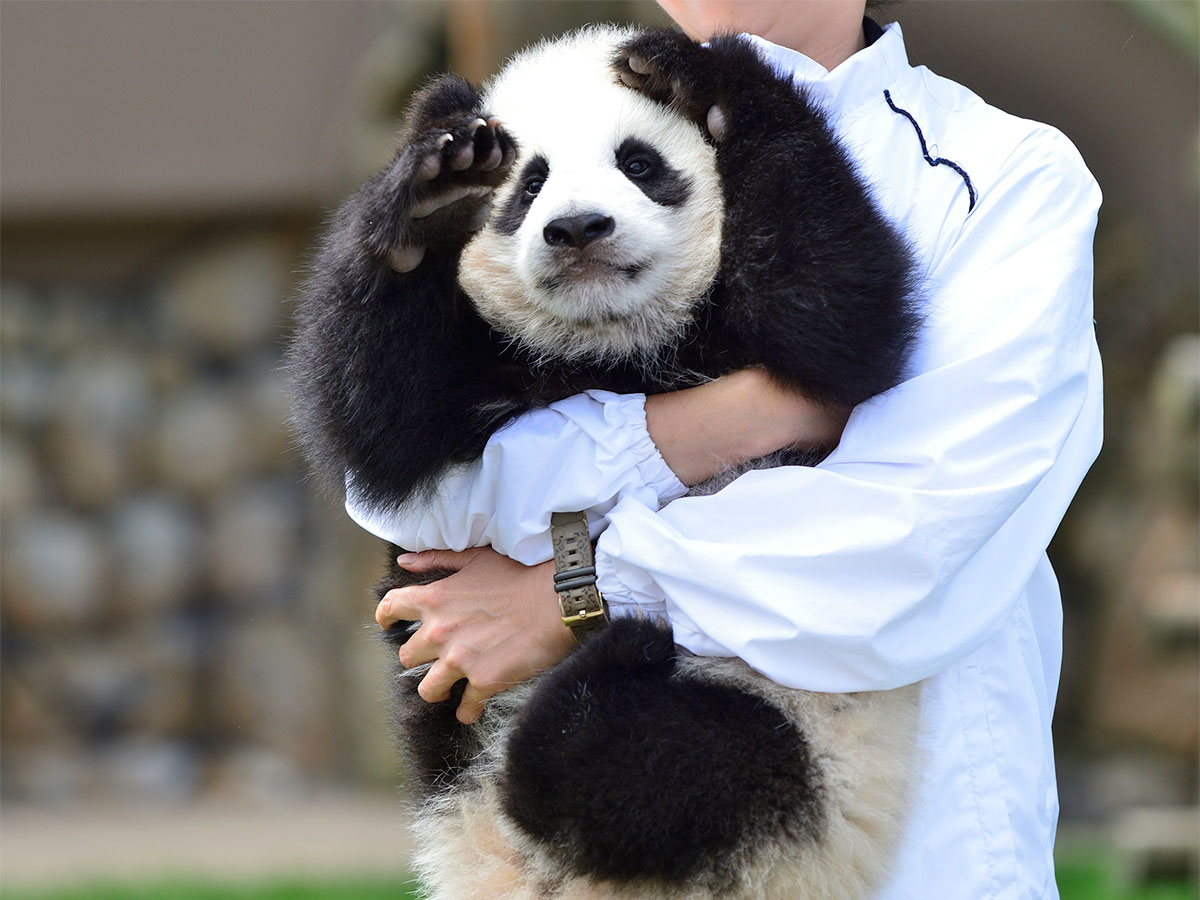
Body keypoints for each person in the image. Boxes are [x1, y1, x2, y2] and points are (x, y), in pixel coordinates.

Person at [355, 2, 1103, 897]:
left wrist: (568, 590)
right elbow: (409, 491)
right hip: (540, 821)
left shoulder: (1005, 178)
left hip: (897, 847)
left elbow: (902, 538)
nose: (575, 217)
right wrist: (751, 414)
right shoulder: (552, 102)